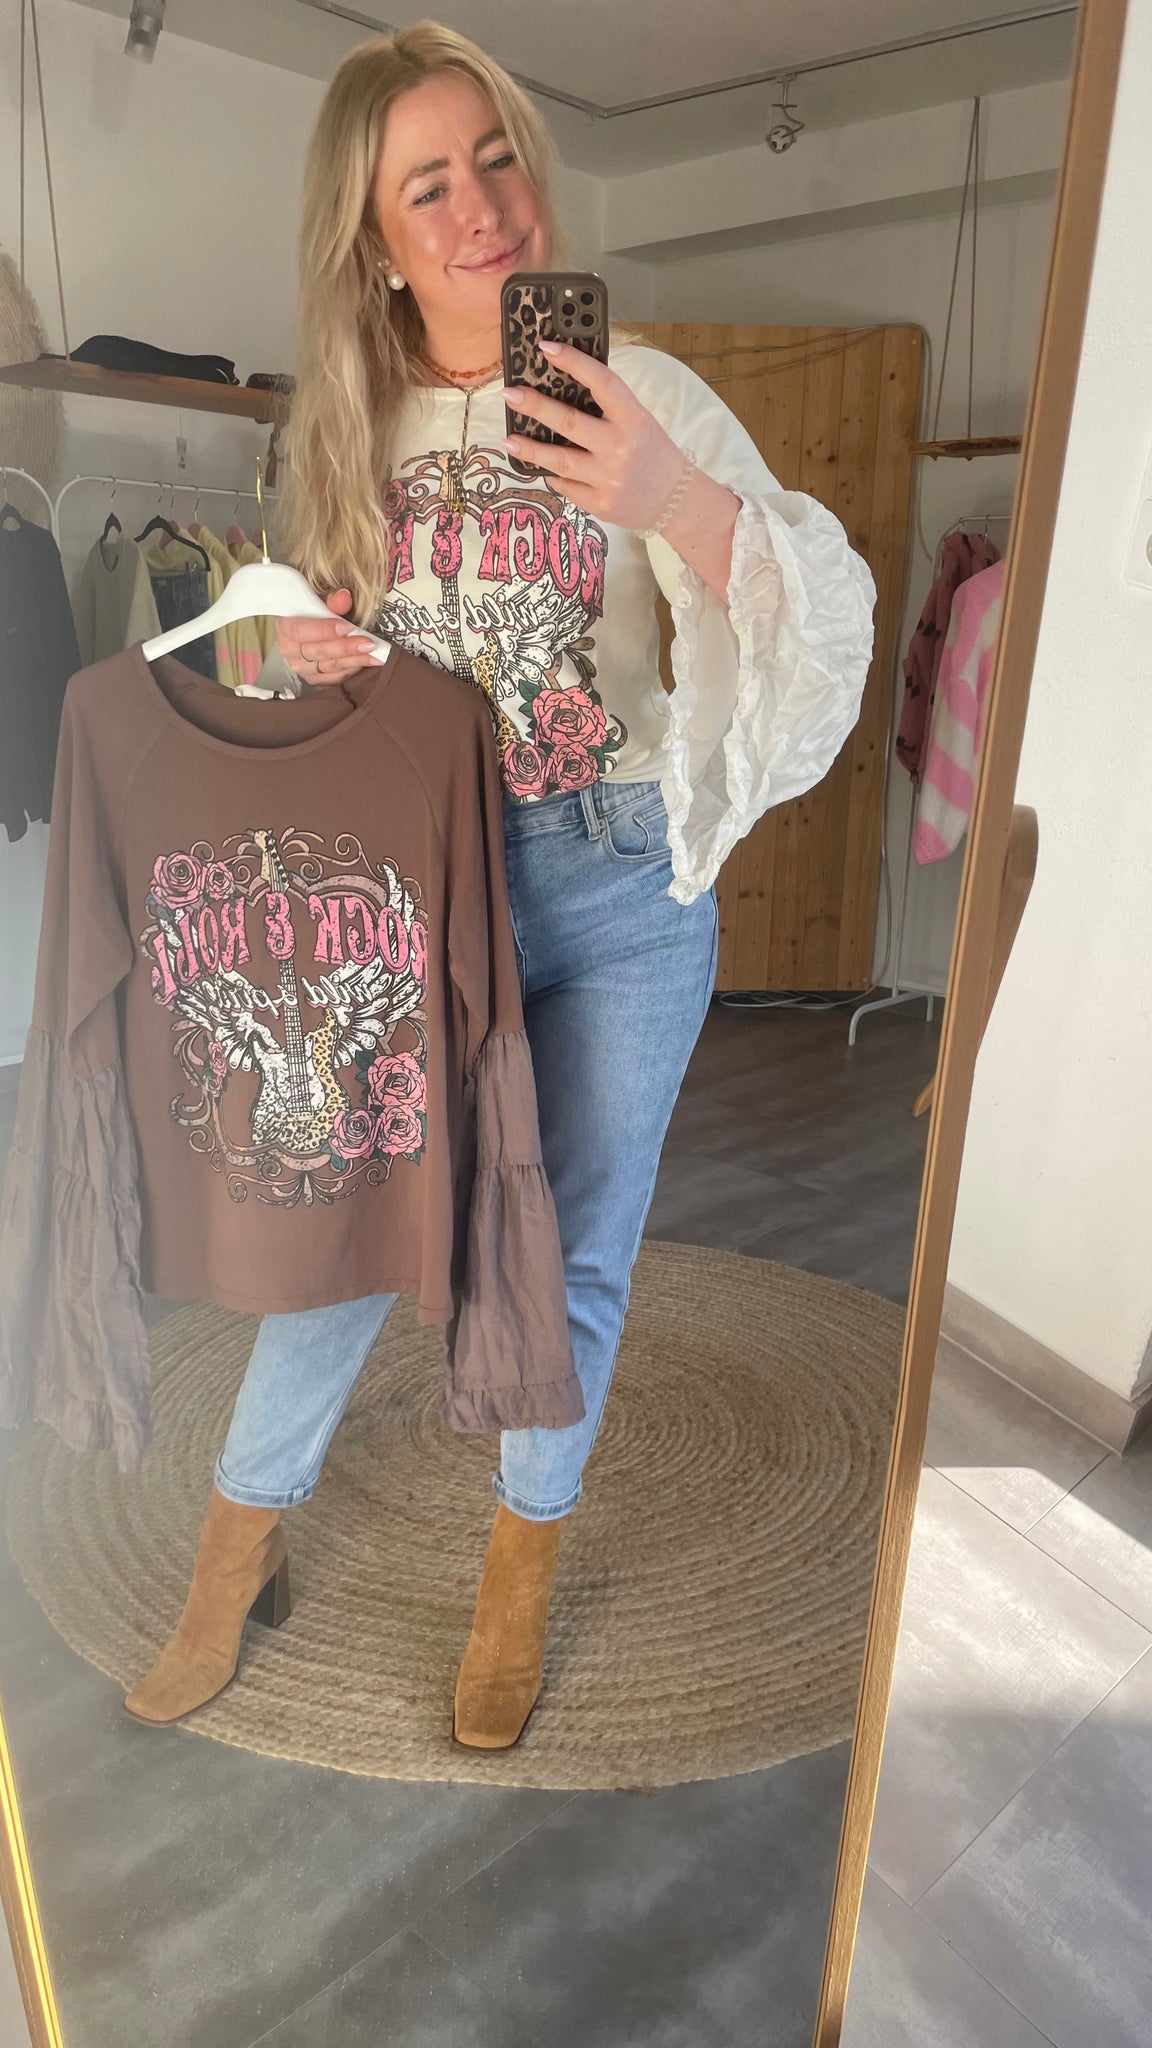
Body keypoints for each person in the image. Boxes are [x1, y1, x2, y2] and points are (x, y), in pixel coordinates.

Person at [125, 22, 876, 1748]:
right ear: (375, 236)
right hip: (422, 890)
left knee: (577, 1253)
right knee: (338, 1237)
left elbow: (811, 616)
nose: (483, 209)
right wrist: (296, 653)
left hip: (618, 881)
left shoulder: (642, 388)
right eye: (428, 187)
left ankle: (518, 1577)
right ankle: (235, 1559)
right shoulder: (344, 420)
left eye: (498, 159)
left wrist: (673, 497)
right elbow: (261, 664)